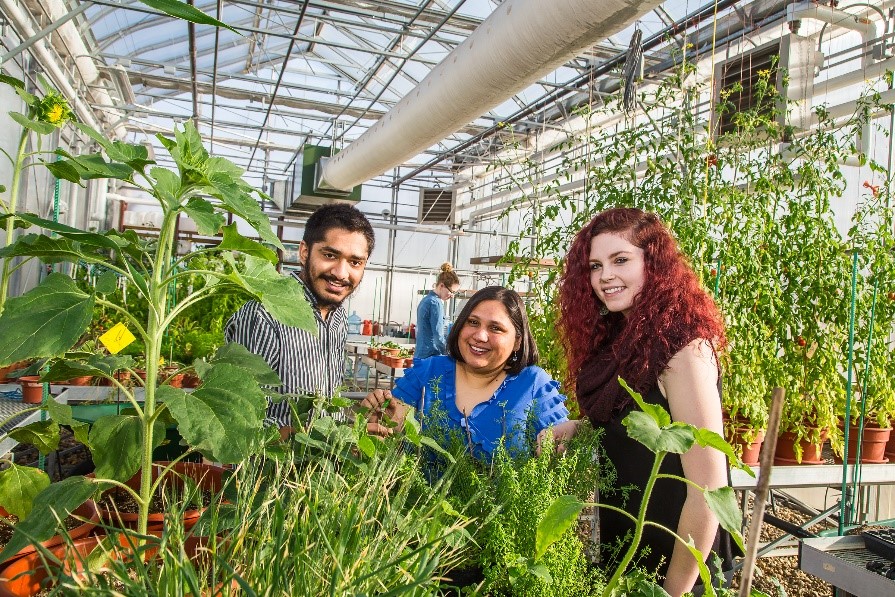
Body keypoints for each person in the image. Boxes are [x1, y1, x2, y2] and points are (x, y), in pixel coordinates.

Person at [550, 207, 733, 596]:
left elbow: (709, 488)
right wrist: (580, 428)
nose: (605, 276)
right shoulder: (623, 339)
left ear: (655, 263)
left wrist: (674, 590)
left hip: (677, 555)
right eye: (595, 266)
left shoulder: (683, 349)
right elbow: (637, 423)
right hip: (629, 542)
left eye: (621, 260)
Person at [361, 286, 569, 460]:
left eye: (495, 328)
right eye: (473, 322)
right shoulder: (429, 373)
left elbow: (562, 458)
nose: (480, 335)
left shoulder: (533, 385)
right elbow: (387, 436)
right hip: (419, 508)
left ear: (517, 342)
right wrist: (376, 422)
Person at [225, 203, 374, 438]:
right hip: (269, 471)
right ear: (304, 252)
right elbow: (239, 423)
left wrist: (353, 425)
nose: (341, 273)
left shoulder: (337, 318)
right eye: (329, 255)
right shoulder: (265, 314)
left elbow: (323, 414)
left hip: (320, 470)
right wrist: (330, 439)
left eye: (355, 262)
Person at [414, 263, 460, 361]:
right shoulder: (436, 303)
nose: (452, 295)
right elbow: (438, 337)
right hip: (430, 357)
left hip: (420, 354)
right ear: (442, 286)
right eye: (451, 291)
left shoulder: (426, 300)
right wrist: (450, 354)